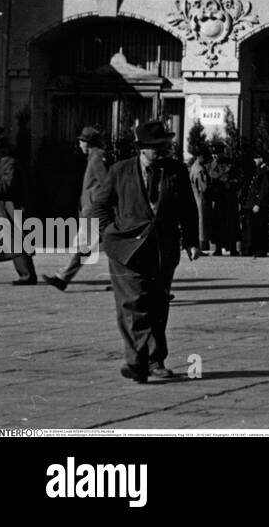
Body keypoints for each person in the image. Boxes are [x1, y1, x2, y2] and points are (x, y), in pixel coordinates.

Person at [86, 119, 199, 383]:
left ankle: (155, 361)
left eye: (165, 145)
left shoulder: (176, 170)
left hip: (162, 250)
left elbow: (188, 208)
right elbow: (98, 206)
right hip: (126, 249)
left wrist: (192, 240)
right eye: (155, 146)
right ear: (141, 148)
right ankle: (138, 362)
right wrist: (109, 232)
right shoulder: (120, 171)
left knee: (158, 303)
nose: (162, 150)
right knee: (134, 304)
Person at [46, 126, 108, 291]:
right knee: (92, 246)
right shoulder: (93, 157)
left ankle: (63, 277)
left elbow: (106, 184)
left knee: (88, 246)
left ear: (88, 143)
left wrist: (98, 205)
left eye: (82, 141)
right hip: (91, 209)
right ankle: (63, 277)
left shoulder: (97, 158)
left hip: (95, 211)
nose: (80, 144)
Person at [0, 130, 37, 285]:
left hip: (9, 209)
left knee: (16, 242)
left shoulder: (10, 163)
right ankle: (26, 275)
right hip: (0, 210)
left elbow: (8, 186)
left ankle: (27, 275)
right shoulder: (1, 164)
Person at [206, 141, 237, 255]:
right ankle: (218, 248)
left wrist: (228, 179)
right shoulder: (212, 165)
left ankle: (233, 248)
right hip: (218, 197)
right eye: (214, 154)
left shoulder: (230, 162)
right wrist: (224, 175)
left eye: (218, 153)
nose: (216, 156)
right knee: (218, 223)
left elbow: (234, 176)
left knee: (231, 223)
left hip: (229, 197)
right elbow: (212, 176)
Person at [243, 153, 269, 257]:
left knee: (260, 227)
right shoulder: (258, 170)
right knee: (252, 227)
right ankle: (251, 248)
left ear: (261, 158)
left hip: (258, 204)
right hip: (252, 203)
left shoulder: (264, 171)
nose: (254, 160)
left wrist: (258, 203)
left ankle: (260, 249)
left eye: (256, 158)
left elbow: (264, 189)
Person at [188, 150, 211, 251]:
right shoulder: (200, 170)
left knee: (199, 222)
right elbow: (204, 187)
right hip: (201, 198)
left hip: (195, 196)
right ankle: (202, 245)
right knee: (202, 222)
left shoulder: (193, 167)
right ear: (199, 157)